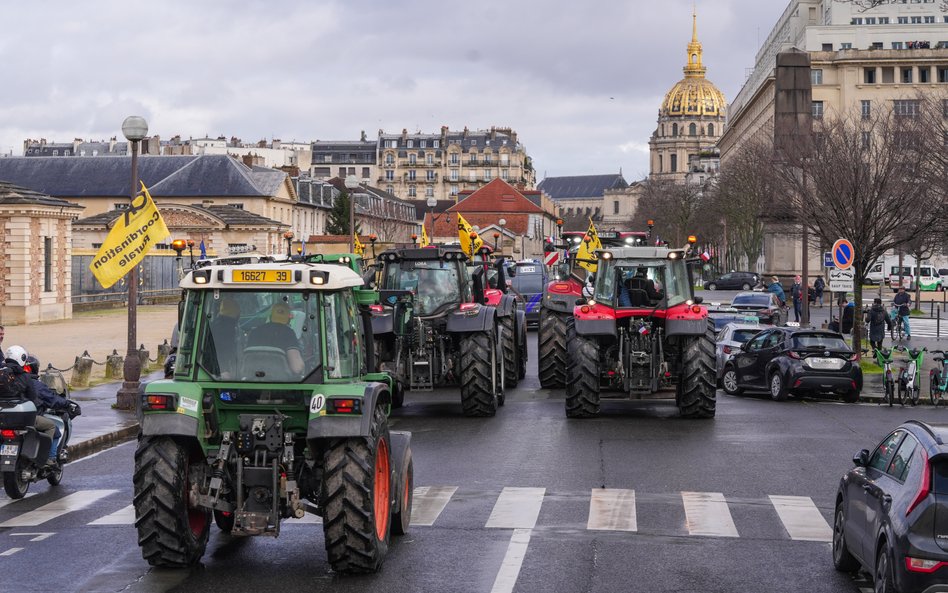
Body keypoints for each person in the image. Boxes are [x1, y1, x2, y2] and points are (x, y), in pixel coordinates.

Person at [3, 346, 59, 464]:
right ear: (21, 358)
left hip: (3, 418)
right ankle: (45, 458)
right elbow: (33, 398)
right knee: (51, 426)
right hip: (21, 420)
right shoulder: (25, 376)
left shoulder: (1, 374)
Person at [246, 302, 304, 374]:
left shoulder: (254, 332)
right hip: (280, 382)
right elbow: (297, 367)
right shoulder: (289, 333)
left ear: (270, 317)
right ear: (289, 319)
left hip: (253, 381)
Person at [205, 296, 241, 378]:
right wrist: (226, 370)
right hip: (222, 371)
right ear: (237, 314)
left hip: (209, 370)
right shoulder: (229, 329)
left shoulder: (213, 325)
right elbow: (227, 351)